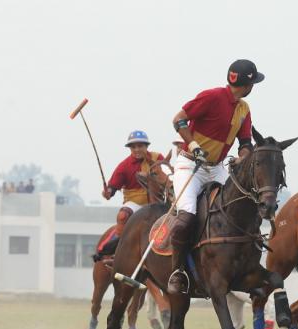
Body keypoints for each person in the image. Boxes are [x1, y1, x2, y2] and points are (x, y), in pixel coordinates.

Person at [166, 59, 262, 293]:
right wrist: (194, 144)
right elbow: (178, 119)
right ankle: (177, 272)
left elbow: (246, 141)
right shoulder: (211, 97)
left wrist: (242, 156)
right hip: (190, 165)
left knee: (234, 208)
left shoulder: (244, 109)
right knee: (187, 217)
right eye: (253, 83)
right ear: (246, 84)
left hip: (217, 167)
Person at [93, 130, 164, 261]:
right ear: (130, 148)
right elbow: (112, 188)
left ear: (146, 146)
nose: (137, 149)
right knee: (123, 215)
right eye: (133, 147)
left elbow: (165, 177)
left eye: (140, 146)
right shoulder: (124, 166)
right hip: (135, 203)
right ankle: (116, 249)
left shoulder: (158, 158)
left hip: (158, 201)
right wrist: (107, 192)